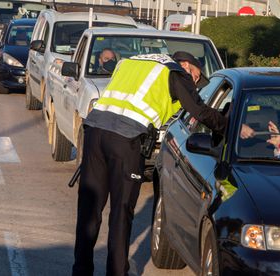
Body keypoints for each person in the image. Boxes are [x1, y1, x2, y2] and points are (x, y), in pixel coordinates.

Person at [72, 51, 254, 276]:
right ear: (186, 65)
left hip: (94, 131)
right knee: (121, 212)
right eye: (196, 75)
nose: (195, 83)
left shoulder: (133, 61)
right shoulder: (174, 72)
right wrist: (230, 127)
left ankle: (80, 271)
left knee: (89, 209)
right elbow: (198, 111)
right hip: (125, 140)